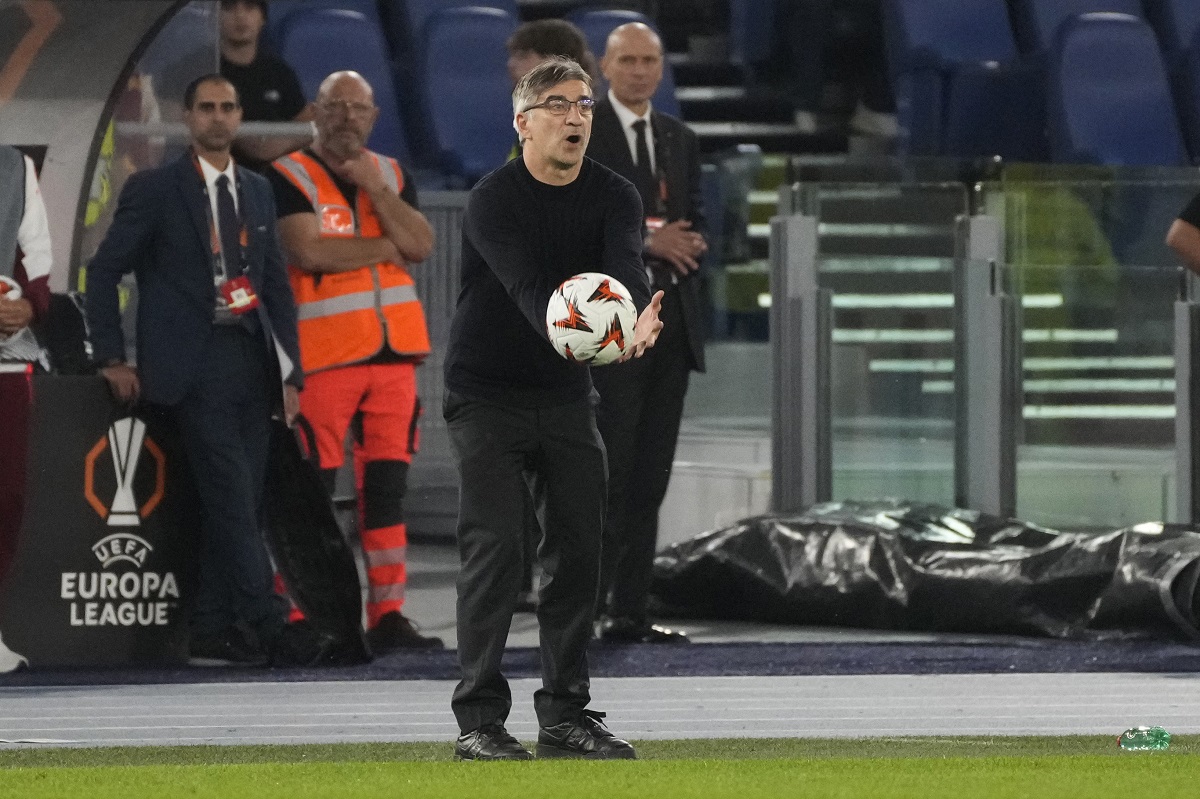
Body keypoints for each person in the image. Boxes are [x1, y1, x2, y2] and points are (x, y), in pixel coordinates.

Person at [444, 57, 662, 761]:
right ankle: (479, 720)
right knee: (498, 553)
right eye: (559, 104)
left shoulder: (615, 193)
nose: (575, 117)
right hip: (486, 395)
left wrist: (628, 323)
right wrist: (595, 335)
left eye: (584, 105)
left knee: (577, 555)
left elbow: (627, 267)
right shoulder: (494, 199)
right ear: (523, 123)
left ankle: (565, 715)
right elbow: (529, 287)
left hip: (567, 397)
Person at [85, 74, 325, 667]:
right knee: (230, 497)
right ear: (188, 117)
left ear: (240, 115)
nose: (218, 118)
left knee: (237, 499)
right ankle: (269, 622)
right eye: (206, 108)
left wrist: (290, 374)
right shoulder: (155, 189)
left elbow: (274, 287)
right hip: (192, 365)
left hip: (252, 360)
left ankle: (211, 626)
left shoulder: (258, 190)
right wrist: (111, 356)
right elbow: (103, 270)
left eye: (227, 107)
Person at [267, 70, 442, 651]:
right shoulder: (289, 173)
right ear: (315, 112)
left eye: (357, 108)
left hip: (395, 360)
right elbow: (307, 250)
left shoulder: (390, 173)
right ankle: (304, 615)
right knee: (310, 494)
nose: (346, 116)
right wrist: (387, 245)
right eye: (335, 106)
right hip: (324, 360)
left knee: (387, 493)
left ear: (373, 116)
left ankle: (387, 615)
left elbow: (421, 245)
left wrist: (379, 192)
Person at [585, 22, 706, 645]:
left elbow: (696, 218)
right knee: (608, 471)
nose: (639, 70)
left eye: (650, 60)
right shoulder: (583, 131)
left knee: (650, 475)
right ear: (605, 67)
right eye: (628, 60)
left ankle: (629, 609)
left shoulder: (679, 138)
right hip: (609, 327)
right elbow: (573, 223)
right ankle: (587, 605)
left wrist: (689, 245)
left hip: (672, 328)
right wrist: (645, 241)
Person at [0, 145, 52, 673]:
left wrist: (27, 306)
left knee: (7, 497)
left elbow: (37, 262)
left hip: (5, 360)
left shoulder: (14, 166)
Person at [219, 0, 313, 172]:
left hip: (275, 178)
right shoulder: (198, 68)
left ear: (262, 18)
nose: (240, 16)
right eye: (229, 7)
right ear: (215, 16)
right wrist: (236, 136)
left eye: (249, 7)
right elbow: (177, 128)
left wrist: (281, 144)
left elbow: (309, 129)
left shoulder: (280, 72)